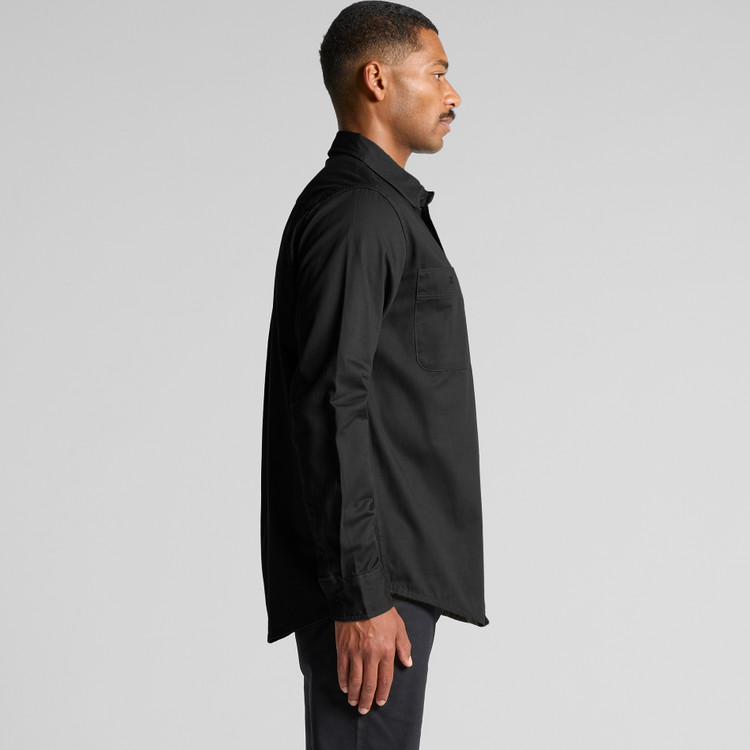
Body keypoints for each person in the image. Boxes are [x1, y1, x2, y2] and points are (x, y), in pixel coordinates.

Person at [260, 2, 489, 747]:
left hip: (385, 573)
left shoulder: (381, 209)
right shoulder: (359, 214)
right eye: (437, 72)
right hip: (371, 582)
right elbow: (331, 401)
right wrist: (360, 597)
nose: (453, 94)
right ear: (378, 80)